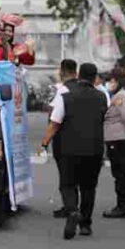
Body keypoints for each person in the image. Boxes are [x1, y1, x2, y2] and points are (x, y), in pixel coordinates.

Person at [41, 63, 108, 239]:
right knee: (89, 187)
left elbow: (55, 123)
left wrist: (44, 142)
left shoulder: (66, 96)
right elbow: (105, 120)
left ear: (79, 75)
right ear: (95, 78)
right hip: (94, 149)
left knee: (68, 184)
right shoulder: (102, 97)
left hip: (69, 150)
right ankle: (86, 225)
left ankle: (72, 211)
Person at [49, 59, 80, 218]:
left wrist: (45, 141)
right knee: (76, 175)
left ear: (62, 71)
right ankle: (73, 206)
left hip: (63, 138)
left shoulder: (61, 90)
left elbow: (54, 118)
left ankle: (71, 207)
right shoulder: (84, 88)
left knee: (66, 175)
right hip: (82, 138)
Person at [102, 74, 125, 218]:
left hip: (119, 141)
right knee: (122, 174)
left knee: (121, 174)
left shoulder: (121, 96)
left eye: (111, 81)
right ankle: (122, 205)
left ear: (118, 82)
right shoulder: (123, 95)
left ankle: (121, 207)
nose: (109, 83)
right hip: (119, 139)